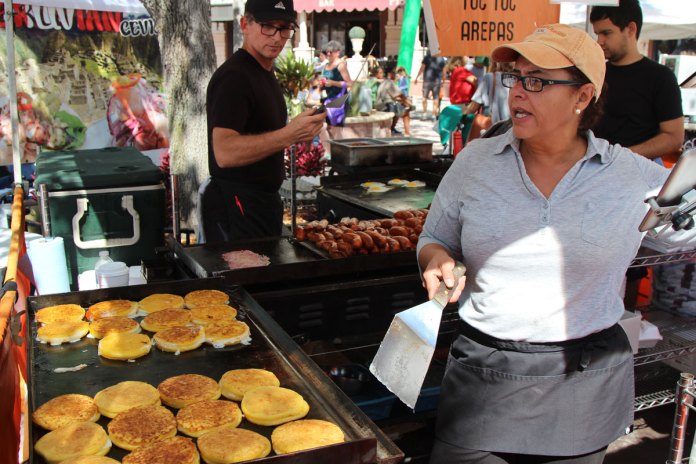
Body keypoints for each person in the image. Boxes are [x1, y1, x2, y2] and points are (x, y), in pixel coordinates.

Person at [417, 23, 695, 463]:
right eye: (516, 79)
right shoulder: (476, 163)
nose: (518, 93)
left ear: (583, 98)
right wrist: (434, 260)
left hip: (582, 385)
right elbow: (435, 238)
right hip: (484, 377)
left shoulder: (632, 178)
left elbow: (686, 223)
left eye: (538, 81)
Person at [203, 0, 325, 243]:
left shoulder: (264, 71)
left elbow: (262, 131)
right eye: (267, 26)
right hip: (237, 204)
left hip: (261, 202)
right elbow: (224, 152)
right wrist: (289, 134)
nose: (277, 37)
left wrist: (299, 128)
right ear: (245, 24)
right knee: (247, 280)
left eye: (284, 28)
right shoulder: (235, 77)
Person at [590, 0, 685, 308]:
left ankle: (627, 324)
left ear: (631, 29)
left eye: (606, 33)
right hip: (590, 177)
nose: (599, 41)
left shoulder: (659, 77)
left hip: (639, 185)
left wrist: (623, 156)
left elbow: (673, 137)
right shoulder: (595, 74)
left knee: (632, 261)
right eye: (596, 33)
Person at [375, 67, 412, 136]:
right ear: (389, 74)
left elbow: (394, 96)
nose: (396, 75)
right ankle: (407, 133)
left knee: (400, 108)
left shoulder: (385, 82)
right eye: (394, 73)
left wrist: (404, 101)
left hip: (382, 105)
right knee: (405, 112)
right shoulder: (389, 82)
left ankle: (392, 128)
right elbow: (400, 95)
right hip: (385, 106)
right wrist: (408, 103)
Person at [414, 51, 447, 118]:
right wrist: (443, 81)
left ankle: (424, 113)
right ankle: (433, 114)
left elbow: (422, 68)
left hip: (427, 80)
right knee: (436, 98)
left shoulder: (427, 57)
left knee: (424, 97)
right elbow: (444, 72)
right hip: (437, 81)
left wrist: (417, 77)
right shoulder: (442, 59)